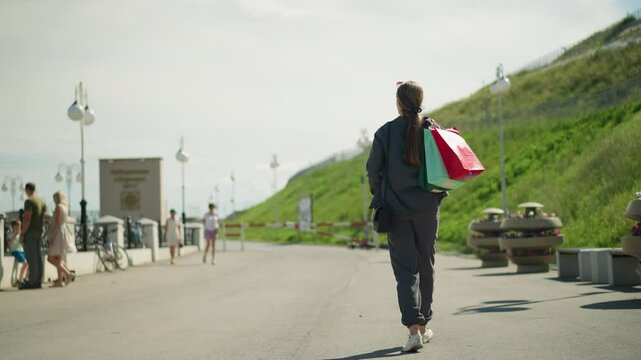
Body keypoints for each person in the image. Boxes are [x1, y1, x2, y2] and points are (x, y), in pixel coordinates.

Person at [366, 81, 447, 352]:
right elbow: (444, 166)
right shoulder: (431, 130)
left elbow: (373, 172)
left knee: (405, 271)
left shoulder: (385, 133)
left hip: (396, 210)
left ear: (399, 103)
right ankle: (423, 328)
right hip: (427, 208)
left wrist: (382, 195)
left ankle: (413, 331)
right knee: (426, 264)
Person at [46, 191, 77, 288]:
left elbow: (57, 223)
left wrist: (52, 237)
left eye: (54, 198)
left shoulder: (59, 207)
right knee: (58, 258)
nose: (53, 200)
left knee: (50, 258)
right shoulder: (64, 207)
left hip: (58, 233)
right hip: (62, 232)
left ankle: (67, 274)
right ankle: (60, 281)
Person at [19, 182, 46, 290]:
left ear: (27, 190)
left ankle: (32, 282)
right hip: (38, 231)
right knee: (38, 257)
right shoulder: (41, 201)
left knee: (31, 258)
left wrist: (22, 233)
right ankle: (38, 281)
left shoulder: (29, 201)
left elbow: (27, 218)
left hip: (30, 232)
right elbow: (43, 216)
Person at [8, 220, 29, 285]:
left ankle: (25, 278)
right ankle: (20, 280)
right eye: (16, 227)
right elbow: (9, 242)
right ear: (12, 227)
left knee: (29, 263)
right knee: (25, 263)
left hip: (21, 250)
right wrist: (16, 234)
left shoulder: (20, 235)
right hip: (15, 251)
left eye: (19, 227)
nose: (18, 228)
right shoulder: (10, 234)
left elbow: (21, 243)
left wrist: (21, 238)